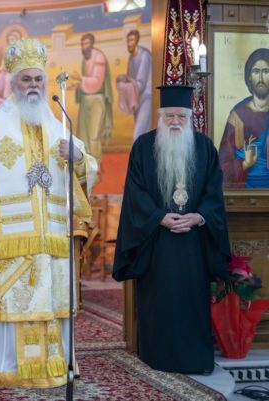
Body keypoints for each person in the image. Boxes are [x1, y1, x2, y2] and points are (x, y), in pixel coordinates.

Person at [0, 38, 97, 387]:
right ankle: (3, 365)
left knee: (50, 299)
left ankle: (54, 364)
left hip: (52, 238)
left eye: (37, 79)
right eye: (26, 79)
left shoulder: (59, 125)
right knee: (7, 298)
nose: (33, 85)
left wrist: (78, 158)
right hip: (7, 238)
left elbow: (87, 170)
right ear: (13, 83)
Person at [113, 85, 230, 374]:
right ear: (160, 117)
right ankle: (158, 357)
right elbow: (135, 194)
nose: (175, 122)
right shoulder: (143, 147)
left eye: (181, 116)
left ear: (190, 118)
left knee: (192, 301)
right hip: (157, 243)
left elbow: (214, 193)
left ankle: (195, 359)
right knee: (159, 302)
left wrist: (198, 217)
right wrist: (159, 217)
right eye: (169, 116)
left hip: (194, 245)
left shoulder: (205, 148)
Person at [218, 48, 269, 187]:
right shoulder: (238, 115)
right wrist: (245, 163)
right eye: (256, 71)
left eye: (266, 71)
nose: (260, 78)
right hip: (244, 191)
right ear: (249, 77)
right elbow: (223, 164)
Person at [68, 33, 113, 162]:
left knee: (93, 136)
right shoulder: (85, 59)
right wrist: (76, 85)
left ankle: (95, 164)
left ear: (92, 44)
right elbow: (86, 83)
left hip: (96, 100)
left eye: (86, 43)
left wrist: (80, 79)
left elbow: (97, 82)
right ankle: (85, 164)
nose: (84, 46)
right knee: (83, 136)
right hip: (85, 100)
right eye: (82, 44)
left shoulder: (99, 57)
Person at [116, 30, 152, 140]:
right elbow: (131, 79)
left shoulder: (144, 55)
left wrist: (124, 86)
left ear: (137, 41)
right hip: (137, 99)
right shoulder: (131, 58)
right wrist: (123, 79)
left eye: (131, 40)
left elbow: (140, 84)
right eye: (128, 41)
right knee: (142, 135)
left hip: (146, 98)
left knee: (139, 133)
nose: (129, 43)